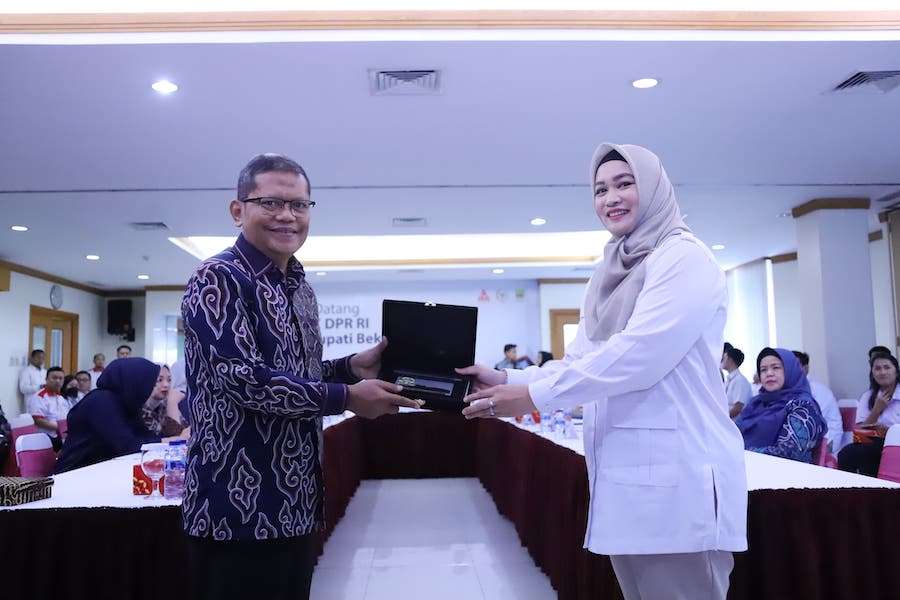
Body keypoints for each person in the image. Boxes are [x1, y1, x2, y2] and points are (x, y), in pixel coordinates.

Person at [460, 144, 747, 600]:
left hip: (680, 484)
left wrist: (534, 398)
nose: (610, 198)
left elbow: (639, 355)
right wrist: (506, 380)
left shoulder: (683, 258)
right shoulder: (609, 270)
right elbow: (581, 360)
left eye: (624, 184)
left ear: (653, 188)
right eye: (600, 189)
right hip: (626, 482)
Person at [181, 153, 421, 600]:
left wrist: (350, 368)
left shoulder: (298, 286)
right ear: (238, 210)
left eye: (299, 205)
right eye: (270, 203)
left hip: (295, 499)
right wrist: (347, 397)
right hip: (235, 507)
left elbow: (297, 375)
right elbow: (247, 381)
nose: (287, 216)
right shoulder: (219, 278)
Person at [55, 358, 184, 473]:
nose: (149, 389)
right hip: (74, 474)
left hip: (103, 471)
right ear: (135, 381)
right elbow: (128, 446)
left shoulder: (126, 402)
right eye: (148, 384)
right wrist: (174, 440)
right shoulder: (101, 401)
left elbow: (144, 435)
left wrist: (174, 441)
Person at [736, 348, 827, 464]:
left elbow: (788, 453)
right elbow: (733, 434)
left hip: (785, 472)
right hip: (744, 467)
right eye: (763, 370)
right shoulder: (755, 404)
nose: (769, 373)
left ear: (790, 370)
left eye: (776, 368)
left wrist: (741, 453)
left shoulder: (802, 406)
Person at [838, 352, 900, 476]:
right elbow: (859, 432)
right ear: (872, 373)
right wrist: (876, 410)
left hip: (896, 443)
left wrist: (890, 431)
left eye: (887, 367)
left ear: (896, 371)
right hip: (875, 442)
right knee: (846, 453)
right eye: (877, 368)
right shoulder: (868, 396)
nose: (882, 372)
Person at [792, 350, 842, 453]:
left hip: (824, 444)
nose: (790, 370)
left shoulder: (819, 391)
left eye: (795, 366)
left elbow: (815, 424)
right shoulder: (784, 390)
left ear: (805, 368)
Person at [29, 367, 70, 451]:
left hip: (62, 436)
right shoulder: (40, 397)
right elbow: (38, 421)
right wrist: (61, 427)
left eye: (60, 378)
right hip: (45, 438)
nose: (57, 381)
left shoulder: (61, 398)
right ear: (46, 379)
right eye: (54, 378)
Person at [721, 345, 752, 419]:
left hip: (735, 423)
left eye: (724, 358)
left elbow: (737, 408)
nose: (721, 361)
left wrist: (722, 418)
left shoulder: (740, 381)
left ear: (730, 360)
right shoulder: (729, 380)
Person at [141, 365, 170, 435]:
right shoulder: (138, 409)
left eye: (169, 380)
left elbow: (181, 432)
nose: (166, 385)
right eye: (159, 380)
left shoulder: (163, 406)